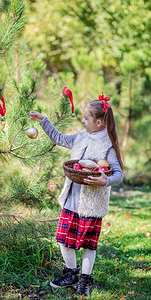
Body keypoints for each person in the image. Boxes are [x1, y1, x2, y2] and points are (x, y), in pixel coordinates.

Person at [30, 92, 124, 297]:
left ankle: (84, 279)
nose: (82, 120)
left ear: (99, 122)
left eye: (86, 118)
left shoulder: (107, 144)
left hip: (91, 204)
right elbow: (59, 138)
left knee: (88, 244)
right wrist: (43, 120)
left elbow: (118, 174)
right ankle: (71, 273)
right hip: (71, 199)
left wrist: (104, 180)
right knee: (64, 240)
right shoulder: (81, 136)